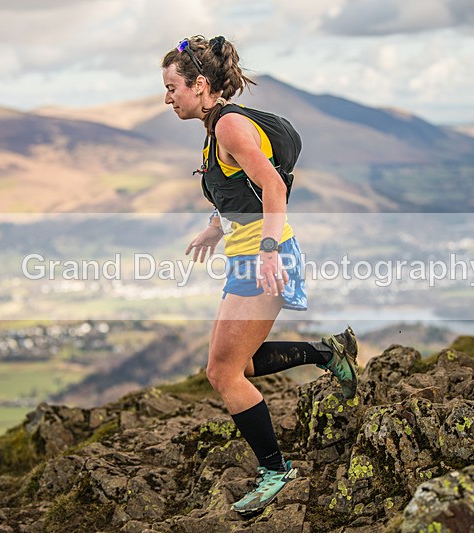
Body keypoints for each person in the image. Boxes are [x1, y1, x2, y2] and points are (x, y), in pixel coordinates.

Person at [161, 35, 359, 516]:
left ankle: (276, 471)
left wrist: (269, 250)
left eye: (172, 88)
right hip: (247, 256)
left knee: (221, 372)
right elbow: (239, 192)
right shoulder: (216, 128)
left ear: (199, 84)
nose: (167, 97)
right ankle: (325, 352)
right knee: (239, 365)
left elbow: (272, 185)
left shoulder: (228, 126)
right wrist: (214, 227)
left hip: (263, 258)